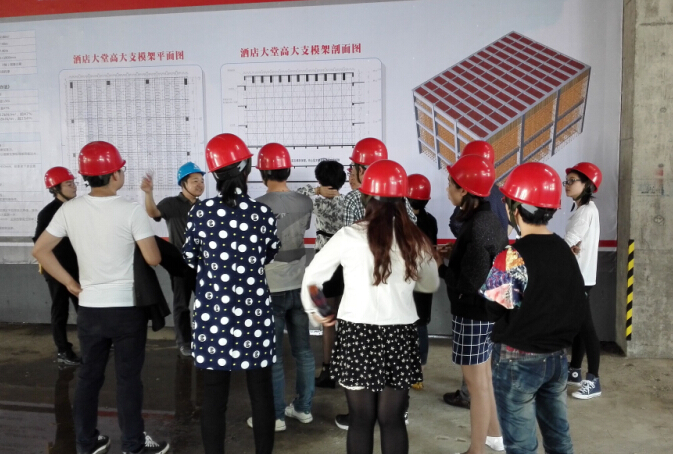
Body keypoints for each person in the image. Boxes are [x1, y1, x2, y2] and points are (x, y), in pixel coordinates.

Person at [33, 141, 168, 454]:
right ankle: (133, 446)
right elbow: (152, 259)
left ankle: (86, 442)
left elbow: (40, 250)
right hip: (127, 310)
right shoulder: (131, 210)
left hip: (90, 309)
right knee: (128, 379)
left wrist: (70, 282)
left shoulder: (69, 210)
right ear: (115, 174)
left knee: (89, 377)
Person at [301, 159, 439, 454]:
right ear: (401, 200)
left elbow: (312, 278)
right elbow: (430, 283)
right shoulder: (414, 239)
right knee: (392, 420)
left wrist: (320, 310)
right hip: (400, 335)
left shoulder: (349, 236)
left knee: (361, 420)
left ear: (366, 198)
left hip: (357, 335)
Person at [182, 133, 279, 454]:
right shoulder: (262, 214)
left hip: (214, 316)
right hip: (256, 316)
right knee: (261, 393)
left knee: (213, 396)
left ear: (214, 174)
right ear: (246, 168)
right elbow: (268, 254)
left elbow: (190, 258)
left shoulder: (200, 213)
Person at [480, 162, 586, 454]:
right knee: (559, 439)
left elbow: (492, 310)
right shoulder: (564, 249)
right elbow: (578, 304)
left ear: (515, 209)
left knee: (521, 446)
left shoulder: (512, 256)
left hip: (517, 360)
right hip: (556, 360)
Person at [335, 138, 416, 430]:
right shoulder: (404, 203)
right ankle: (397, 410)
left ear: (362, 170)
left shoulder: (352, 202)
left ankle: (362, 415)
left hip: (360, 308)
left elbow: (339, 254)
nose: (349, 172)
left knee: (362, 401)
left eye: (353, 166)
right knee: (393, 402)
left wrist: (319, 308)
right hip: (399, 312)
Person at [438, 154, 507, 454]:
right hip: (487, 311)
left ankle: (476, 449)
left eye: (450, 184)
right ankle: (494, 435)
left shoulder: (477, 226)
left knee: (476, 384)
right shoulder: (489, 219)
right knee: (484, 379)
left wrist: (440, 267)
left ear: (464, 189)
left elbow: (468, 282)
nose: (447, 190)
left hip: (473, 314)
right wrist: (454, 252)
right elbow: (481, 262)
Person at [252, 142, 315, 431]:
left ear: (262, 172)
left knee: (274, 355)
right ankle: (304, 408)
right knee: (304, 352)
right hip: (300, 284)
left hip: (271, 286)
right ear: (288, 170)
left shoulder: (257, 206)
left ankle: (276, 416)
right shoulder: (305, 202)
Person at [141, 161, 205, 357]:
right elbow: (153, 213)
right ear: (183, 183)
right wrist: (148, 193)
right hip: (180, 264)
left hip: (203, 264)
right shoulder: (171, 203)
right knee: (182, 305)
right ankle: (184, 342)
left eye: (202, 181)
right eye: (195, 181)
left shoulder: (206, 207)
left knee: (207, 303)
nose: (200, 185)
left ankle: (205, 337)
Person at [296, 160, 347, 389]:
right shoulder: (346, 201)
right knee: (343, 316)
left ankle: (328, 370)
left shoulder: (317, 201)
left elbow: (297, 194)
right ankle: (344, 366)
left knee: (328, 319)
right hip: (345, 263)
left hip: (325, 265)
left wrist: (317, 190)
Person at [33, 167, 81, 366]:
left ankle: (95, 341)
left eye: (74, 183)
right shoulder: (47, 213)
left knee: (84, 308)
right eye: (69, 184)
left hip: (77, 268)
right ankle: (63, 350)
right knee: (60, 310)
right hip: (56, 271)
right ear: (56, 188)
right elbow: (39, 245)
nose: (74, 187)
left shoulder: (76, 208)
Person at [563, 162, 603, 399]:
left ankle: (594, 380)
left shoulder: (586, 211)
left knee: (587, 328)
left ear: (587, 184)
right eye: (566, 181)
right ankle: (575, 371)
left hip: (580, 278)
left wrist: (554, 250)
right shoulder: (583, 209)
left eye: (572, 181)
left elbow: (569, 241)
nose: (567, 185)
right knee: (579, 325)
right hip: (581, 276)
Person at [405, 173, 438, 390]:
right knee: (421, 324)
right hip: (425, 278)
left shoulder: (401, 221)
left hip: (404, 279)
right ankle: (419, 373)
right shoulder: (431, 221)